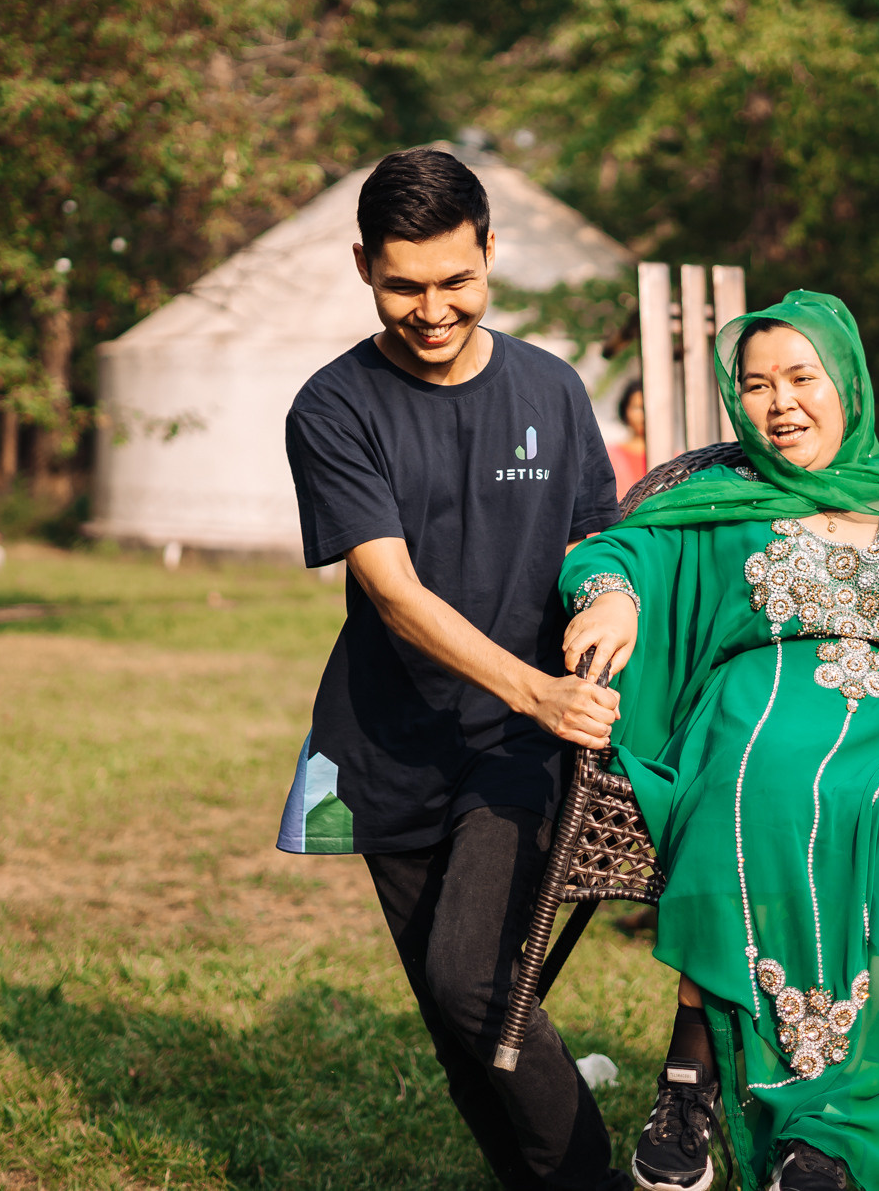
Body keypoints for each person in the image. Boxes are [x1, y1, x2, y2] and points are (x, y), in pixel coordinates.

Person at [560, 290, 879, 1191]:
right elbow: (618, 551)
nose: (780, 402)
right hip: (753, 715)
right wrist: (610, 593)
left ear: (848, 383)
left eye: (802, 377)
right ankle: (695, 1076)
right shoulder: (720, 505)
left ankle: (835, 1137)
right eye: (755, 385)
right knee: (755, 785)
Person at [279, 147, 629, 1190]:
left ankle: (596, 1178)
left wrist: (611, 593)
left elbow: (594, 539)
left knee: (472, 973)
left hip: (515, 746)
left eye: (454, 281)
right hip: (386, 742)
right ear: (362, 267)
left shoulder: (551, 387)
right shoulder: (333, 407)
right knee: (455, 1018)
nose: (431, 309)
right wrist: (537, 686)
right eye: (403, 285)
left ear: (489, 253)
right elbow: (391, 590)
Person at [609, 379, 648, 501]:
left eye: (647, 408)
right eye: (637, 408)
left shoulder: (676, 457)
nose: (643, 415)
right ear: (625, 410)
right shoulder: (610, 456)